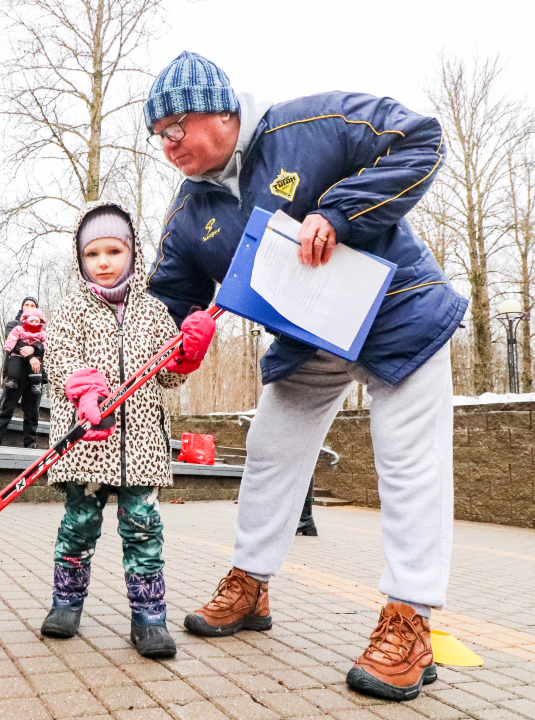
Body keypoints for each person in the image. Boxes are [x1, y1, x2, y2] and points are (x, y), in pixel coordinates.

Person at [143, 52, 466, 700]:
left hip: (397, 314)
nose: (167, 143)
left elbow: (419, 138)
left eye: (175, 126)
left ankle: (411, 619)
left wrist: (340, 213)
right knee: (269, 449)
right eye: (158, 135)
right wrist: (173, 346)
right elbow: (167, 304)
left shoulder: (311, 125)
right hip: (308, 340)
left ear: (220, 108)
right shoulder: (186, 214)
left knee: (408, 461)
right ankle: (251, 586)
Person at [42, 201, 216, 659]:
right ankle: (66, 602)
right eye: (92, 254)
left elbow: (169, 375)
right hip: (87, 445)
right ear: (80, 259)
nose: (103, 262)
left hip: (141, 446)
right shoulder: (70, 311)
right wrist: (82, 391)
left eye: (113, 251)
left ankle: (149, 616)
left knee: (143, 530)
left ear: (132, 253)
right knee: (78, 526)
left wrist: (188, 355)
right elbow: (60, 365)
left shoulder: (154, 312)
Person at [0, 297, 45, 448]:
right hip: (15, 372)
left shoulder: (42, 329)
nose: (29, 307)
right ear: (21, 307)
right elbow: (15, 344)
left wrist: (34, 349)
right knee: (7, 406)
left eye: (32, 305)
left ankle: (30, 441)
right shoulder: (14, 325)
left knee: (32, 411)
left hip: (35, 374)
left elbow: (47, 346)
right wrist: (32, 355)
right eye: (26, 304)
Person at [2, 306, 47, 396]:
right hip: (19, 354)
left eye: (36, 321)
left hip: (36, 356)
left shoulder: (42, 332)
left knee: (36, 367)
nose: (34, 323)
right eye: (32, 321)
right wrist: (9, 346)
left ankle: (36, 384)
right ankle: (13, 380)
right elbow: (12, 337)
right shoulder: (18, 328)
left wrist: (36, 348)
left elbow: (47, 343)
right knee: (15, 363)